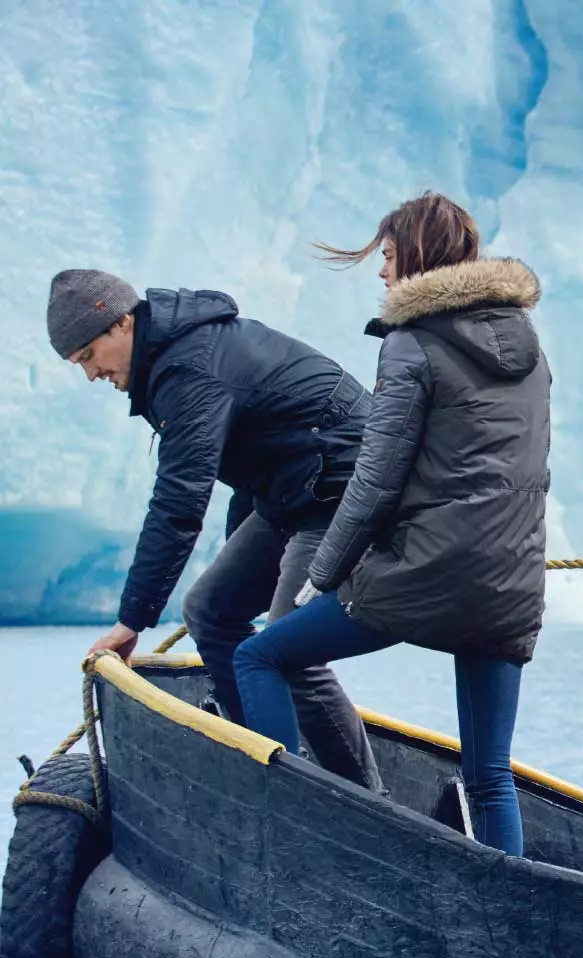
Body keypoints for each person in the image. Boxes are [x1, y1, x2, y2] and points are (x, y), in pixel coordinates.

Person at [233, 193, 550, 855]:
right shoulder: (530, 344)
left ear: (417, 253)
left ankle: (285, 835)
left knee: (261, 653)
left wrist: (319, 580)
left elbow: (375, 480)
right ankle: (512, 913)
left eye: (386, 255)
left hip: (426, 574)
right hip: (510, 583)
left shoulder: (412, 342)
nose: (381, 272)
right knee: (488, 775)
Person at [47, 268, 382, 789]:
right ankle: (260, 756)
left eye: (88, 355)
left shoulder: (190, 368)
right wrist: (237, 565)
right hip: (291, 493)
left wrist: (132, 620)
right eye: (78, 365)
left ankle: (362, 801)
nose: (91, 374)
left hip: (339, 493)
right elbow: (254, 462)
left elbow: (180, 501)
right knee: (211, 609)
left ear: (120, 324)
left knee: (286, 645)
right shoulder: (178, 358)